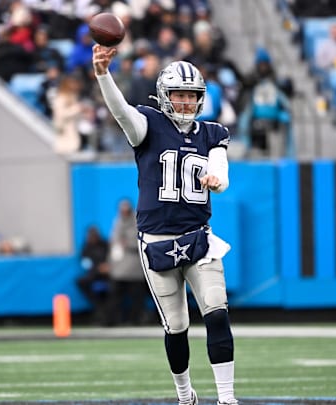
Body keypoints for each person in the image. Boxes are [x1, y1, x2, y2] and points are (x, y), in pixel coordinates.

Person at [92, 44, 237, 405]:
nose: (186, 102)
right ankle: (185, 396)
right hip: (157, 242)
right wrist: (103, 74)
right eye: (179, 95)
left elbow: (221, 170)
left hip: (198, 238)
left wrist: (217, 180)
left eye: (192, 95)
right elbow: (121, 111)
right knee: (177, 326)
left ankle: (227, 398)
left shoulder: (212, 133)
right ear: (164, 95)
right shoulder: (148, 124)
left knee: (217, 312)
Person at [105, 198, 150, 326]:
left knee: (137, 297)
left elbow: (142, 241)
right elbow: (113, 244)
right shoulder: (118, 222)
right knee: (115, 296)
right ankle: (113, 320)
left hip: (134, 267)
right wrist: (109, 263)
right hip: (118, 267)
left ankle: (136, 320)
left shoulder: (138, 222)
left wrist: (128, 243)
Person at [75, 225, 110, 322]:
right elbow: (85, 263)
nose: (92, 238)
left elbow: (112, 258)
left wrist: (107, 266)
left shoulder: (105, 245)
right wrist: (97, 268)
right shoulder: (86, 247)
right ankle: (99, 307)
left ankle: (108, 312)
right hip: (93, 275)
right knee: (81, 282)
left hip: (107, 275)